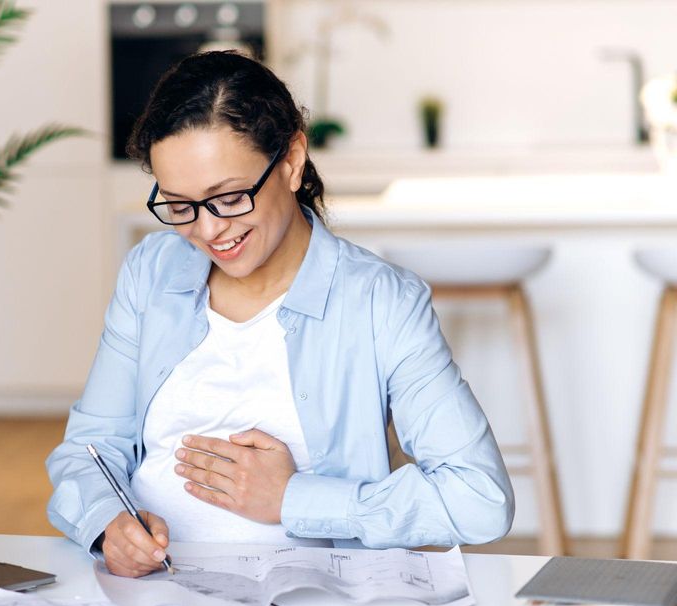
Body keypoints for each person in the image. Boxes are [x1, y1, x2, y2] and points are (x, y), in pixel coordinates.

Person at [46, 51, 514, 578]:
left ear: (291, 160)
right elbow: (87, 451)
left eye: (227, 197)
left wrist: (293, 498)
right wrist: (108, 523)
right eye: (179, 205)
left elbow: (480, 498)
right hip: (151, 599)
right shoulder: (150, 274)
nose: (207, 230)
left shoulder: (381, 302)